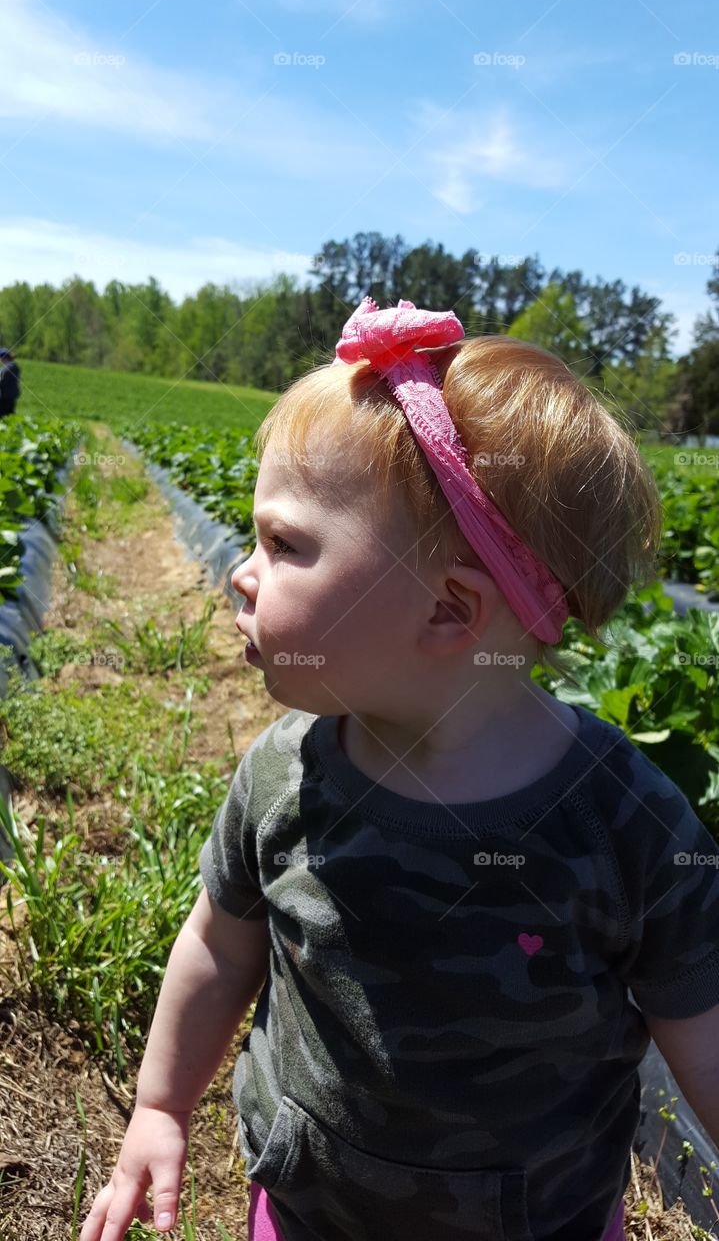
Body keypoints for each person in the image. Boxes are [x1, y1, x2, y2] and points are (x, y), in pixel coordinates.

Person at [80, 297, 719, 1241]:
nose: (241, 573)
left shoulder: (628, 824)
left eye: (283, 545)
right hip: (308, 1213)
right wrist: (161, 1106)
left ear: (449, 612)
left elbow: (702, 1032)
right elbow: (219, 946)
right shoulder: (285, 775)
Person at [0, 348, 20, 417]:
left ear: (4, 357)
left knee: (3, 415)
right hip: (11, 395)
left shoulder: (7, 368)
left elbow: (2, 381)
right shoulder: (14, 367)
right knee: (9, 415)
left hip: (5, 396)